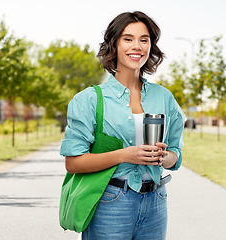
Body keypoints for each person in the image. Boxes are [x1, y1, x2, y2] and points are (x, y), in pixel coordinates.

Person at [60, 11, 185, 240]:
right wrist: (126, 155)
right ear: (114, 45)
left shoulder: (164, 98)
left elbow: (175, 154)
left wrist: (163, 156)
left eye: (144, 40)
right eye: (128, 39)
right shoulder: (89, 100)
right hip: (111, 202)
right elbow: (73, 163)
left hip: (156, 202)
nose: (136, 46)